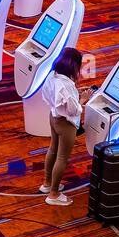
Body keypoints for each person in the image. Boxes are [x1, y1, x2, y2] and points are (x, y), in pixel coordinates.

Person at [39, 46, 89, 207]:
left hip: (53, 117)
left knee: (52, 149)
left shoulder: (52, 76)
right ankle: (54, 194)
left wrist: (75, 94)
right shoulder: (66, 85)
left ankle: (47, 184)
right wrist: (83, 99)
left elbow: (52, 96)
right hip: (66, 123)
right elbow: (74, 110)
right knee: (62, 158)